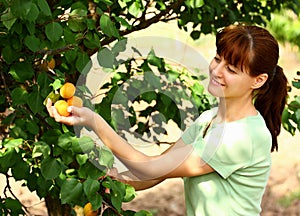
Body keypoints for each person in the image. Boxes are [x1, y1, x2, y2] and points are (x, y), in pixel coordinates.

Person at [47, 24, 288, 216]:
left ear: (258, 80)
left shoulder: (243, 136)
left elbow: (150, 167)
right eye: (217, 59)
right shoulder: (208, 119)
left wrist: (94, 121)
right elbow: (158, 170)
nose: (216, 71)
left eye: (232, 69)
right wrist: (110, 178)